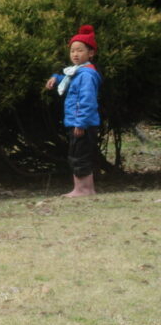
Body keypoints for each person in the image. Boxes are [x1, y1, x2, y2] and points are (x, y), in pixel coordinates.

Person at [45, 24, 102, 197]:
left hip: (82, 123)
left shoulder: (86, 75)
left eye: (80, 50)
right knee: (78, 153)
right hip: (79, 122)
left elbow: (87, 101)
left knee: (79, 155)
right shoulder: (77, 72)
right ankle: (87, 189)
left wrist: (81, 123)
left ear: (90, 53)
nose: (75, 54)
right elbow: (66, 77)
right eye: (72, 51)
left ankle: (82, 190)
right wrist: (56, 77)